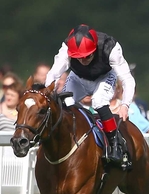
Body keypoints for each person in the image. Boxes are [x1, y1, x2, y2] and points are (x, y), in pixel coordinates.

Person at [44, 24, 136, 170]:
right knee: (65, 102)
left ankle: (115, 145)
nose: (83, 60)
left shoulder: (110, 47)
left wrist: (125, 104)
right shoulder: (66, 48)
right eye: (78, 57)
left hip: (104, 77)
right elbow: (53, 74)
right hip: (77, 78)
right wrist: (47, 94)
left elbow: (127, 79)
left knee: (98, 101)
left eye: (87, 56)